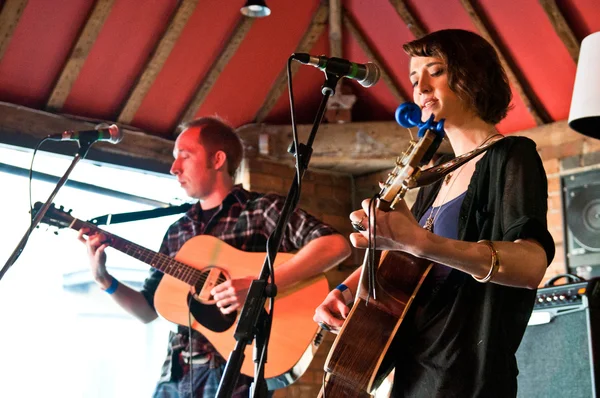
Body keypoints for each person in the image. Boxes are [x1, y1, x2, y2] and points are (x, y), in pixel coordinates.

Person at [314, 29, 555, 397]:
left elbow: (532, 264)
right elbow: (409, 263)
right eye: (414, 79)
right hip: (414, 373)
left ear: (473, 75)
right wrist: (347, 290)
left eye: (436, 71)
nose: (420, 87)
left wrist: (421, 241)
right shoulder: (433, 175)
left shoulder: (511, 155)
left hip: (468, 379)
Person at [78, 117, 352, 397]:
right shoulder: (178, 231)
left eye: (184, 156)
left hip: (235, 375)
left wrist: (261, 285)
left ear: (218, 159)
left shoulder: (260, 210)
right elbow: (148, 310)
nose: (174, 168)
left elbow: (335, 245)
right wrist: (103, 279)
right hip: (176, 376)